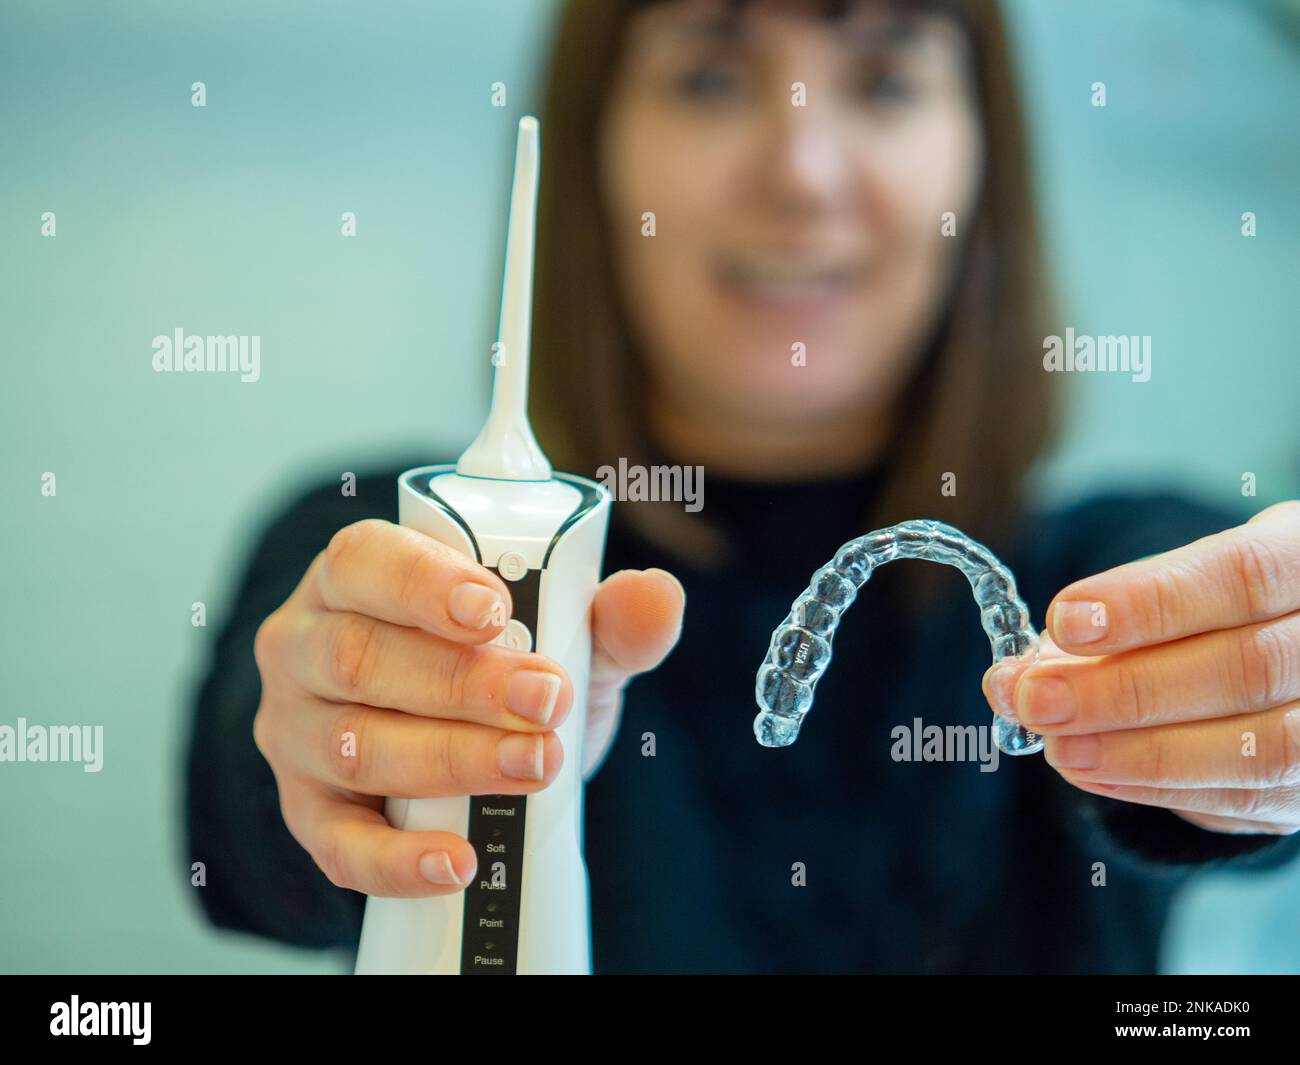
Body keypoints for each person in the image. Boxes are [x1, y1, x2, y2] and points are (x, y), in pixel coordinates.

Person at [184, 0, 1300, 974]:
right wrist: (350, 745)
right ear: (594, 149)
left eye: (885, 79)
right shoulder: (409, 539)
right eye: (711, 77)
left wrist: (1256, 698)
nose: (801, 173)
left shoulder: (1115, 565)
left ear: (981, 154)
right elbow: (253, 820)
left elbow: (1249, 657)